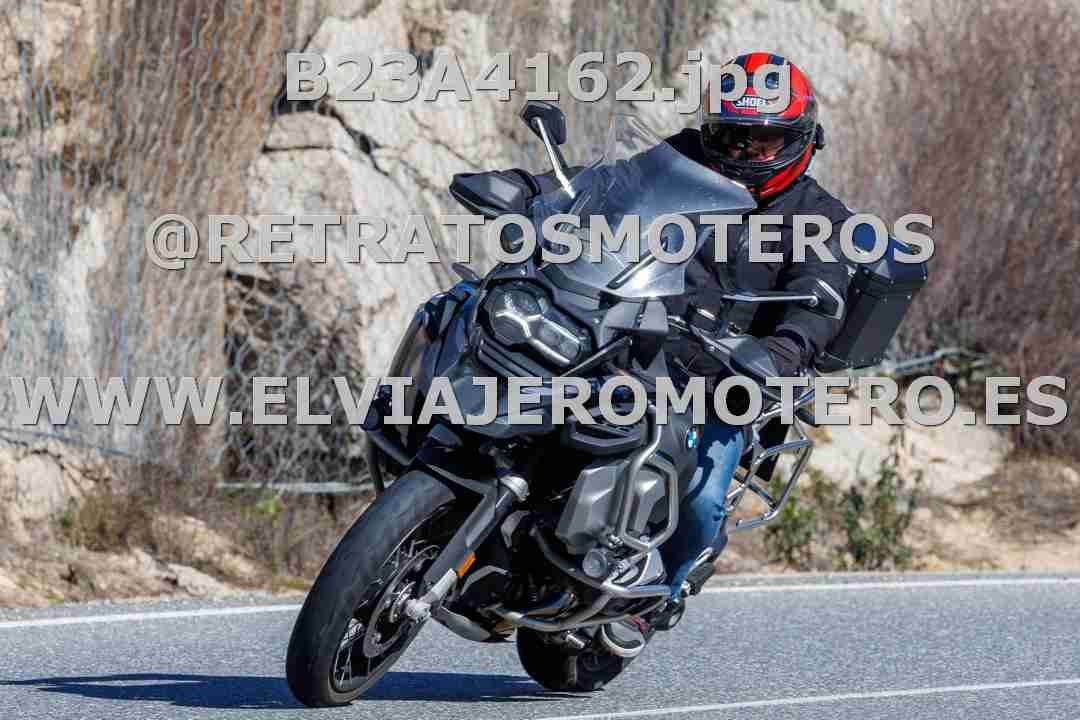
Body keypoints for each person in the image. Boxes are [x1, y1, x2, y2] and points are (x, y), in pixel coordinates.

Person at [601, 52, 856, 654]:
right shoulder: (682, 159)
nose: (744, 152)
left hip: (725, 378)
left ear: (800, 141)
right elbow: (609, 187)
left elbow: (820, 301)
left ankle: (659, 590)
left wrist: (780, 353)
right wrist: (537, 190)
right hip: (631, 340)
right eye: (732, 137)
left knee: (702, 493)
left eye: (763, 142)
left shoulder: (818, 217)